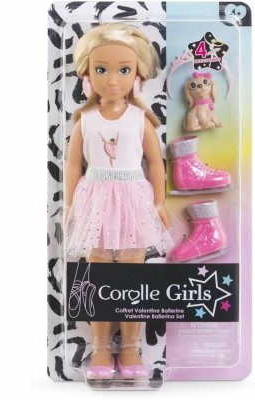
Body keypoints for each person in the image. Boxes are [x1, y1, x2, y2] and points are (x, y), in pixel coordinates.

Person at [65, 23, 173, 380]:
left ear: (137, 75)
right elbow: (73, 166)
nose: (112, 80)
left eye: (123, 70)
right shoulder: (84, 120)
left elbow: (155, 163)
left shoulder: (140, 120)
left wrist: (159, 203)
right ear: (86, 75)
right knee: (97, 275)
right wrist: (71, 207)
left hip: (132, 203)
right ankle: (99, 348)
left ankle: (130, 347)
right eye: (102, 70)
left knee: (131, 276)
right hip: (95, 202)